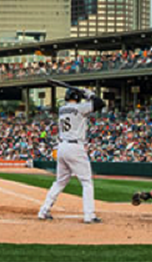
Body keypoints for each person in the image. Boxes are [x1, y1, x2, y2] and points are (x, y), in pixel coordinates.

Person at [38, 87, 105, 224]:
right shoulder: (80, 108)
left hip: (62, 147)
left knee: (59, 182)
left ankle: (44, 210)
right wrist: (90, 94)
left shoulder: (62, 109)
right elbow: (100, 103)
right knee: (86, 182)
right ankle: (89, 215)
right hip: (75, 147)